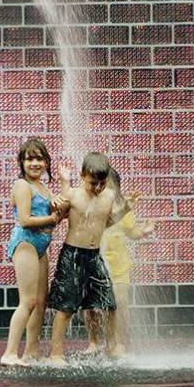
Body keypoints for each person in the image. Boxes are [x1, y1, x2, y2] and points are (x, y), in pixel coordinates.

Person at [47, 152, 130, 364]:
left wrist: (126, 209)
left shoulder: (109, 197)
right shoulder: (74, 195)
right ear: (82, 175)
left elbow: (108, 223)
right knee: (66, 307)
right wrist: (63, 182)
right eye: (93, 183)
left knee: (109, 303)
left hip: (94, 257)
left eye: (101, 183)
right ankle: (56, 354)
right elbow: (57, 211)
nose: (97, 188)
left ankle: (112, 347)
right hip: (73, 255)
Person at [0, 136, 66, 366]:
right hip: (26, 243)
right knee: (27, 301)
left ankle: (31, 351)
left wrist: (60, 203)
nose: (34, 163)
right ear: (21, 163)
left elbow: (56, 211)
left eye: (39, 159)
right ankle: (9, 353)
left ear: (46, 162)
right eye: (29, 159)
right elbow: (26, 220)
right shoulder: (22, 185)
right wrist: (53, 218)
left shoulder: (44, 188)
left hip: (41, 247)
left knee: (40, 302)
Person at [100, 167, 154, 358]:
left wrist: (144, 231)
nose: (106, 189)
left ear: (117, 188)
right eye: (102, 184)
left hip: (120, 265)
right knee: (104, 307)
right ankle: (109, 343)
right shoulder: (95, 207)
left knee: (121, 302)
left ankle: (121, 344)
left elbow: (132, 232)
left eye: (110, 185)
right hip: (99, 266)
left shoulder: (124, 208)